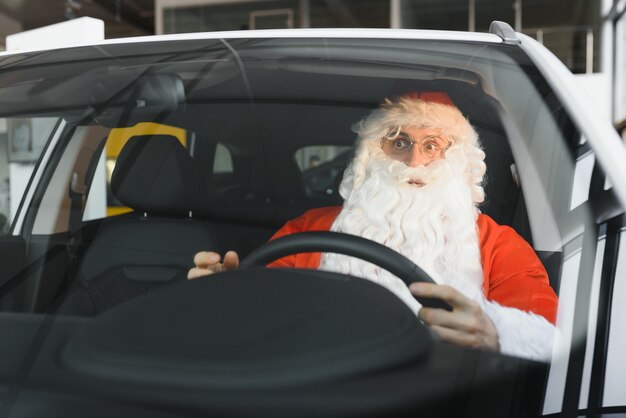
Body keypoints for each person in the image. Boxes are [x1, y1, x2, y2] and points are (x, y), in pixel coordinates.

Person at [188, 93, 558, 361]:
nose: (414, 160)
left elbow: (548, 337)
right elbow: (264, 314)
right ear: (372, 153)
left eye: (432, 146)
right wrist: (224, 297)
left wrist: (495, 333)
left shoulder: (497, 242)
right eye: (398, 142)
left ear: (457, 158)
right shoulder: (309, 228)